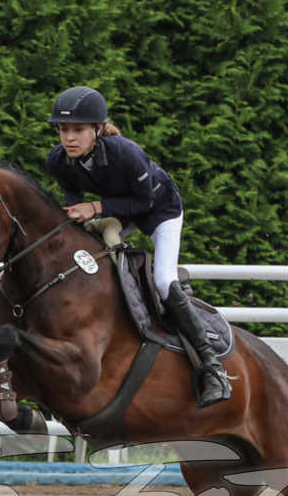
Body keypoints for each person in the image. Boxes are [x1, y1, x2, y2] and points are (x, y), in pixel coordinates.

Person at [42, 85, 233, 406]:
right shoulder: (59, 160)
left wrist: (95, 208)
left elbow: (144, 202)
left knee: (164, 281)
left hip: (160, 211)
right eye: (63, 130)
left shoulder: (125, 153)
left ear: (98, 129)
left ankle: (212, 366)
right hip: (118, 211)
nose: (69, 138)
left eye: (78, 130)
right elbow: (74, 202)